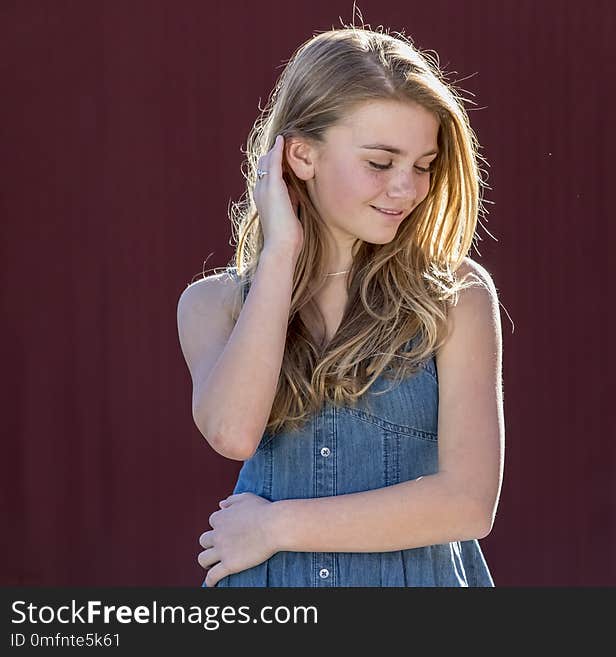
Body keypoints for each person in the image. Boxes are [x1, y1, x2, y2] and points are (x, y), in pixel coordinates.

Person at [176, 25, 504, 587]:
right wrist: (281, 252)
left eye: (423, 165)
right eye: (380, 163)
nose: (408, 189)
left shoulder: (456, 297)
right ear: (301, 155)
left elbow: (468, 504)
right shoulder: (213, 304)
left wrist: (277, 526)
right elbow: (233, 433)